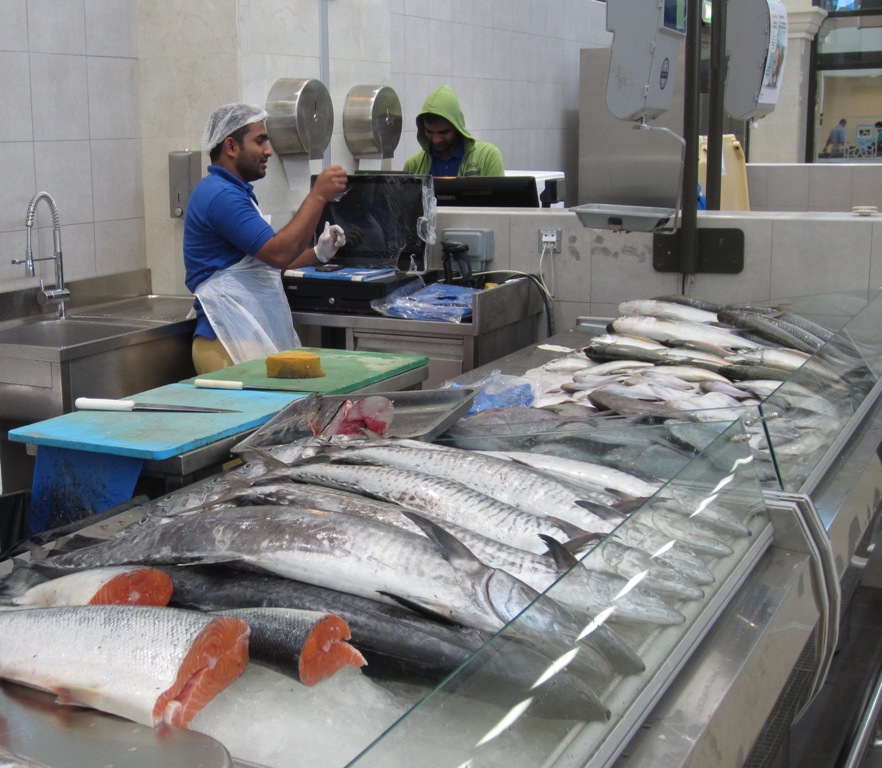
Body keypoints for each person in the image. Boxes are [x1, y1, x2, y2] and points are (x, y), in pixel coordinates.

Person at [183, 103, 348, 374]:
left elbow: (266, 264)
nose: (268, 151)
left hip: (245, 330)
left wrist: (318, 253)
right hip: (226, 340)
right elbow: (277, 253)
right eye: (260, 141)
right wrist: (318, 196)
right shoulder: (219, 195)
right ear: (231, 146)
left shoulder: (236, 192)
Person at [403, 85, 504, 177]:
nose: (436, 140)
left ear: (457, 127)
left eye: (443, 132)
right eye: (429, 132)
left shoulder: (487, 157)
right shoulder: (414, 166)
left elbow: (498, 197)